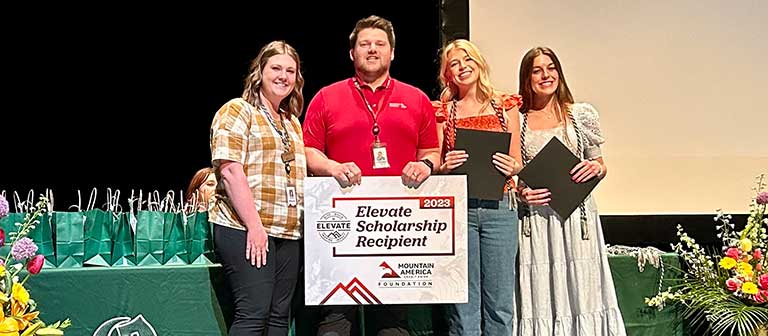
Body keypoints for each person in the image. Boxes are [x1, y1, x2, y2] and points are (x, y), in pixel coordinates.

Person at [302, 15, 439, 336]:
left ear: (393, 52)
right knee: (335, 321)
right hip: (340, 226)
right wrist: (333, 167)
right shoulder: (326, 97)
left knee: (393, 322)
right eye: (364, 44)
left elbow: (432, 152)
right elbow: (308, 152)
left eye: (380, 44)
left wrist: (426, 166)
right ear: (352, 53)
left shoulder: (417, 98)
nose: (372, 50)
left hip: (396, 226)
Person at [516, 46, 626, 335]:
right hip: (538, 222)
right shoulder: (518, 119)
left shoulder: (579, 115)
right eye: (537, 70)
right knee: (541, 289)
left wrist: (596, 169)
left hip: (577, 220)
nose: (545, 75)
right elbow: (516, 175)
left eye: (551, 68)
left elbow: (599, 164)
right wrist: (522, 193)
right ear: (527, 78)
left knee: (583, 288)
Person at [209, 40, 307, 336]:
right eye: (276, 68)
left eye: (291, 70)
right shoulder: (238, 110)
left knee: (279, 317)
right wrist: (254, 226)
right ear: (259, 73)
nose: (283, 76)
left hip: (288, 231)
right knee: (254, 312)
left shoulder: (291, 122)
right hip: (244, 227)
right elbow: (229, 170)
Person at [432, 39, 522, 336]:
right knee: (463, 300)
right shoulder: (444, 112)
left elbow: (517, 161)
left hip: (500, 207)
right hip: (461, 209)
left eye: (467, 59)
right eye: (454, 63)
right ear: (448, 74)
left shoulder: (505, 106)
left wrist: (512, 167)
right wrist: (446, 165)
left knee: (499, 301)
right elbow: (438, 163)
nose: (462, 66)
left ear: (479, 63)